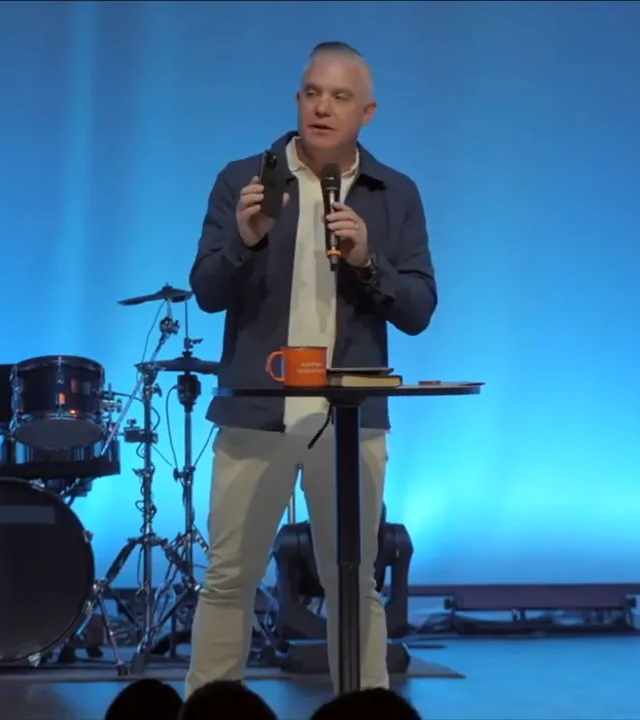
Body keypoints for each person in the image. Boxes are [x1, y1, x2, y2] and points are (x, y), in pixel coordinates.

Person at [186, 41, 437, 695]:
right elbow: (206, 291)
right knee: (229, 578)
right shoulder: (244, 180)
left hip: (349, 419)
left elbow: (418, 309)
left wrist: (367, 262)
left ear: (367, 113)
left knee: (353, 581)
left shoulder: (394, 193)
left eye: (340, 97)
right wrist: (244, 241)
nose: (322, 108)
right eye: (312, 93)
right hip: (256, 409)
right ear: (298, 100)